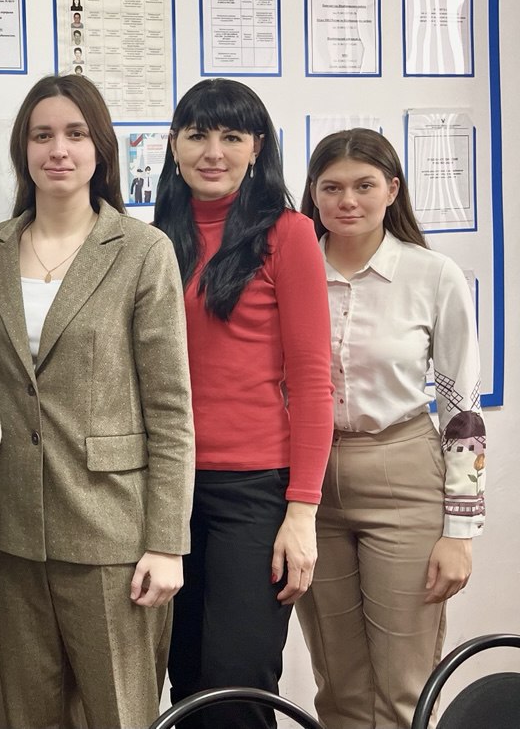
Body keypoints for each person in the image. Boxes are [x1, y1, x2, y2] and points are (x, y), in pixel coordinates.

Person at [0, 74, 195, 729]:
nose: (58, 150)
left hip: (111, 530)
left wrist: (167, 542)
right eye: (42, 135)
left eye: (75, 134)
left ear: (101, 149)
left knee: (121, 714)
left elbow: (170, 408)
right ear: (24, 148)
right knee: (30, 715)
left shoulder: (142, 250)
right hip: (11, 529)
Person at [152, 78, 333, 729]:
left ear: (257, 148)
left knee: (239, 684)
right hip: (167, 487)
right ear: (173, 145)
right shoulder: (153, 240)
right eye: (197, 135)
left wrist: (302, 513)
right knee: (185, 678)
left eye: (232, 136)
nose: (213, 152)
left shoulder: (288, 234)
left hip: (254, 492)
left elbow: (312, 381)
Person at [296, 129, 485, 729]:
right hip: (308, 484)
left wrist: (460, 531)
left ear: (392, 190)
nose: (347, 200)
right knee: (338, 682)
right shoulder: (289, 270)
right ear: (314, 193)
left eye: (364, 185)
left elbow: (462, 408)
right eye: (332, 187)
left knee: (404, 683)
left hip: (402, 471)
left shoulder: (432, 274)